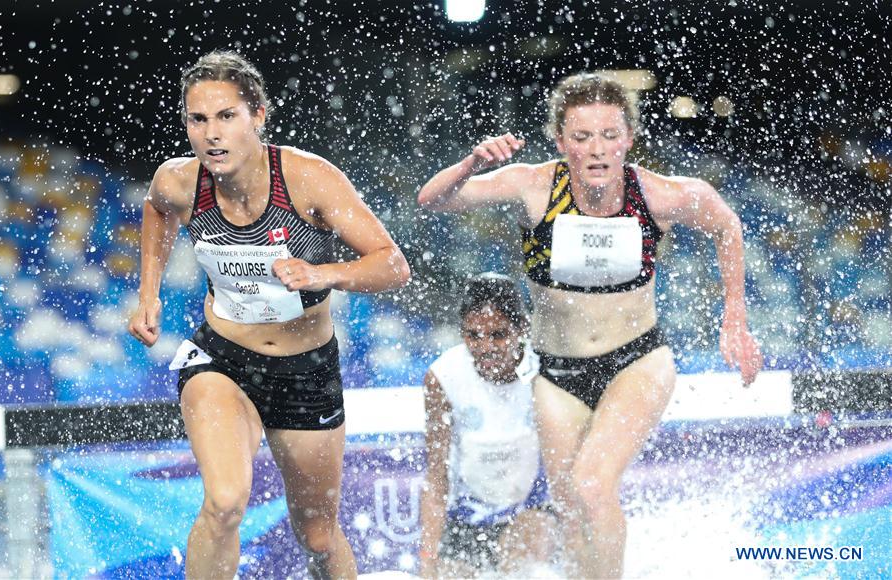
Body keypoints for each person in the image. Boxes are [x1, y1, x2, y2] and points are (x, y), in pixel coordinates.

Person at [417, 73, 763, 577]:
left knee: (593, 485)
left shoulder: (658, 195)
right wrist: (473, 162)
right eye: (581, 138)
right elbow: (433, 200)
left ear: (628, 138)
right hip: (557, 374)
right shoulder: (533, 186)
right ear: (561, 142)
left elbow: (724, 221)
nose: (596, 150)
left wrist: (735, 316)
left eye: (608, 135)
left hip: (637, 360)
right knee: (570, 505)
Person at [127, 50, 410, 579]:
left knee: (318, 534)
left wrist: (324, 274)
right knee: (226, 501)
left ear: (258, 115)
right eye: (198, 119)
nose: (211, 134)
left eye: (226, 116)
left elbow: (394, 267)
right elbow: (157, 208)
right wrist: (149, 292)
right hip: (221, 358)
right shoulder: (179, 181)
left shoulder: (310, 180)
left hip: (305, 371)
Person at [420, 273, 554, 579]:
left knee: (519, 561)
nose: (485, 347)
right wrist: (428, 559)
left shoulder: (542, 371)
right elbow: (437, 477)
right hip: (469, 514)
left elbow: (566, 464)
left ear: (522, 329)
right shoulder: (443, 377)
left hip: (533, 507)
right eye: (473, 335)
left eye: (498, 335)